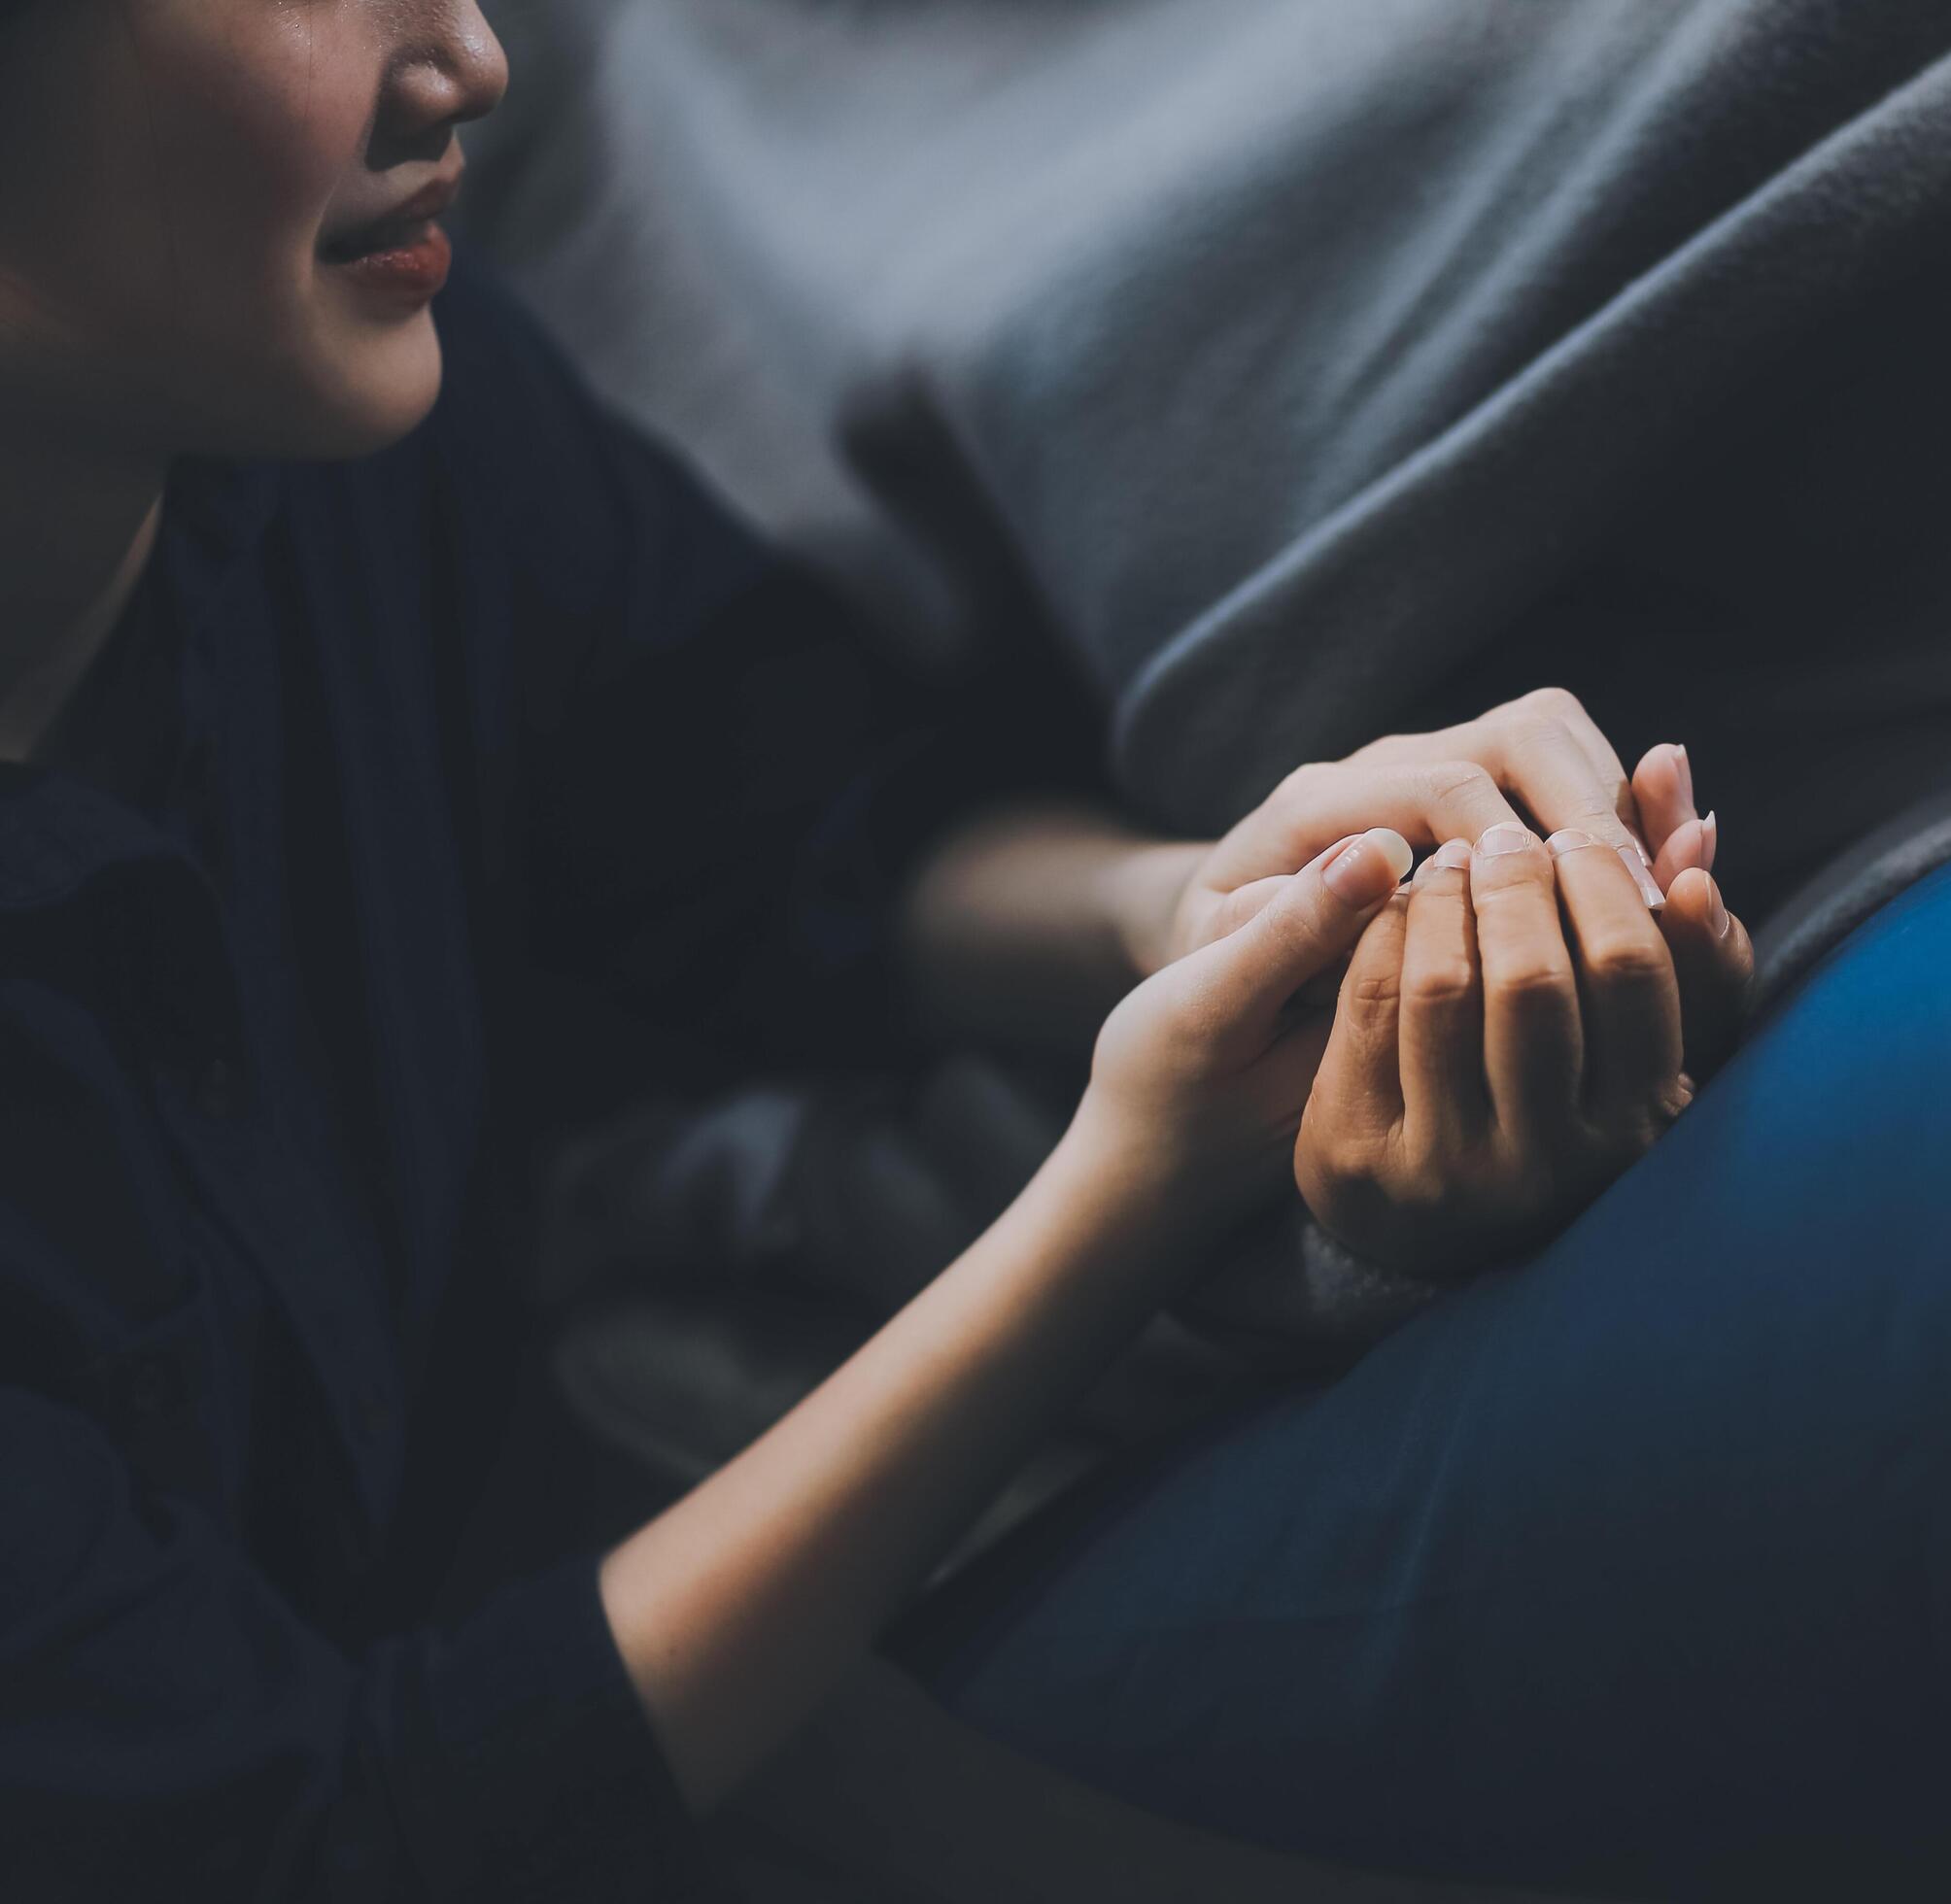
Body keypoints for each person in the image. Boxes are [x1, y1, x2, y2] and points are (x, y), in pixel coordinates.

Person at [0, 0, 1753, 1893]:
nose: (470, 58)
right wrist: (1125, 1191)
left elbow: (776, 819)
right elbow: (341, 1817)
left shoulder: (351, 420)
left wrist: (1211, 904)